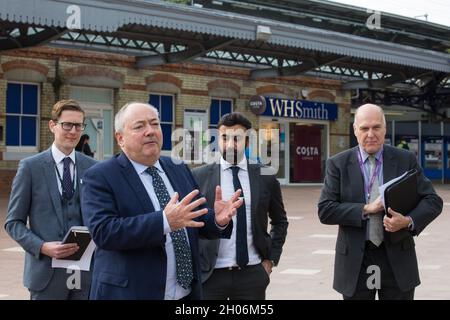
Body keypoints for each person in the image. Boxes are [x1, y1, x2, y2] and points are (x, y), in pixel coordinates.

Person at [80, 102, 243, 300]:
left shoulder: (177, 167)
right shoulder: (100, 176)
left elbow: (193, 216)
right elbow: (103, 232)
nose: (150, 131)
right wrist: (164, 222)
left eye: (155, 124)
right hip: (131, 293)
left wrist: (217, 220)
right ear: (120, 138)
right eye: (139, 126)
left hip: (186, 294)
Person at [318, 103, 442, 300]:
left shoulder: (405, 159)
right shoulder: (338, 164)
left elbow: (433, 201)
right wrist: (367, 208)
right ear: (355, 130)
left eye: (376, 127)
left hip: (397, 258)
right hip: (357, 261)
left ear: (385, 129)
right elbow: (325, 210)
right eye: (364, 128)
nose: (371, 134)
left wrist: (408, 221)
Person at [4, 99, 97, 300]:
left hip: (85, 275)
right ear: (52, 125)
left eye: (78, 125)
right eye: (67, 125)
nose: (73, 131)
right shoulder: (30, 167)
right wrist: (42, 247)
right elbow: (13, 223)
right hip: (45, 275)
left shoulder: (93, 168)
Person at [192, 112, 289, 300]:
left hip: (252, 274)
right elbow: (190, 224)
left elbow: (280, 221)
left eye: (236, 138)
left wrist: (270, 260)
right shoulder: (199, 176)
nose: (229, 144)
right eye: (224, 138)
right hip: (210, 275)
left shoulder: (265, 176)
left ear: (247, 141)